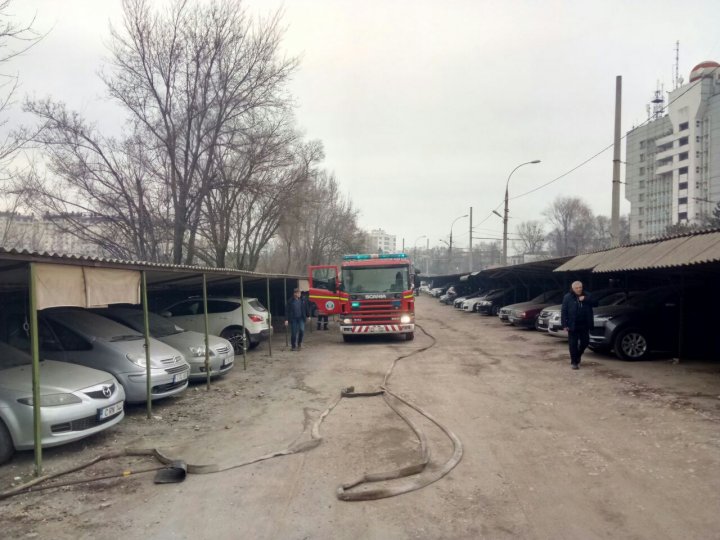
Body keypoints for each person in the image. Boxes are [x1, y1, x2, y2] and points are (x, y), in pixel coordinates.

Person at [561, 281, 597, 370]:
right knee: (573, 344)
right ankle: (574, 362)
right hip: (572, 324)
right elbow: (564, 311)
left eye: (580, 287)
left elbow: (596, 303)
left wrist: (585, 299)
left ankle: (578, 355)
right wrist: (564, 324)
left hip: (584, 324)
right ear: (572, 288)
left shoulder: (588, 295)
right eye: (576, 288)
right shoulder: (567, 297)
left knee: (585, 342)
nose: (579, 289)